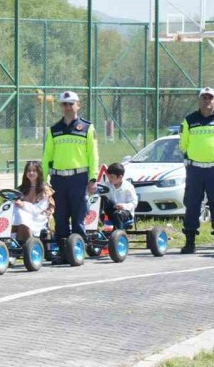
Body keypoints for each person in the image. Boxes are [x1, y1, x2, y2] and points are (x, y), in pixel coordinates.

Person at [178, 86, 214, 254]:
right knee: (192, 204)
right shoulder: (189, 120)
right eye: (204, 97)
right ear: (199, 100)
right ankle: (190, 242)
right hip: (195, 169)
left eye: (210, 98)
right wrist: (192, 158)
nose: (207, 100)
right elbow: (183, 144)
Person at [42, 90, 99, 262]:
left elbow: (93, 155)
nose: (67, 107)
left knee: (78, 217)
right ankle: (63, 252)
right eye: (64, 104)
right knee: (60, 217)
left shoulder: (87, 128)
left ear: (78, 105)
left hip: (78, 178)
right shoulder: (54, 130)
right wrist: (43, 181)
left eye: (71, 104)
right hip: (58, 179)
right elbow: (47, 157)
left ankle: (77, 252)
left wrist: (93, 178)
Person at [13, 160, 53, 242]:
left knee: (21, 215)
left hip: (39, 218)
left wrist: (23, 204)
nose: (31, 173)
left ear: (39, 172)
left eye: (34, 171)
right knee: (16, 213)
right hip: (22, 217)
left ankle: (31, 243)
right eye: (29, 170)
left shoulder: (45, 190)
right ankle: (12, 241)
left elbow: (38, 210)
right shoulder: (21, 189)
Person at [102, 162, 138, 228]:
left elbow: (134, 203)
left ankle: (118, 234)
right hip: (112, 210)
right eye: (108, 176)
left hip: (125, 212)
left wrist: (123, 206)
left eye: (112, 177)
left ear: (120, 177)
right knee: (102, 200)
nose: (109, 179)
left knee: (117, 214)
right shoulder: (107, 185)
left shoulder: (128, 187)